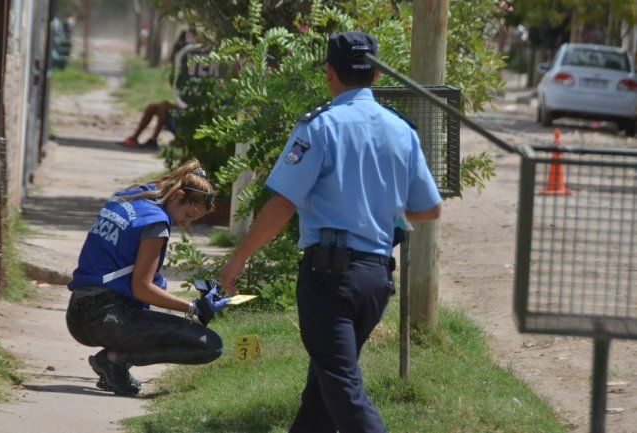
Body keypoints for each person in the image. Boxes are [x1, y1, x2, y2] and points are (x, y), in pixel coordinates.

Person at [220, 32, 442, 433]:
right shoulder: (402, 131)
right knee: (324, 387)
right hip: (375, 279)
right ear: (376, 73)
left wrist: (239, 257)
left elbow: (283, 204)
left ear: (328, 74)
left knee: (341, 388)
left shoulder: (319, 127)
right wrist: (382, 209)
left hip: (329, 281)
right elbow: (430, 208)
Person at [66, 159, 230, 396]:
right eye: (188, 214)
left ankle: (114, 361)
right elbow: (142, 289)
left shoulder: (131, 196)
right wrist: (194, 307)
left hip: (78, 314)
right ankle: (115, 361)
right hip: (107, 318)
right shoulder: (156, 224)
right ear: (178, 195)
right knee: (210, 346)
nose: (185, 223)